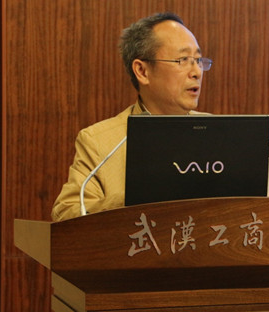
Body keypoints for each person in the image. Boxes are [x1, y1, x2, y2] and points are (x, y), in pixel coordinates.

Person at [51, 12, 213, 221]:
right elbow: (66, 214)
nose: (197, 72)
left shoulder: (216, 131)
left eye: (198, 60)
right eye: (183, 60)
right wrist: (132, 200)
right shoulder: (99, 141)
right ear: (142, 71)